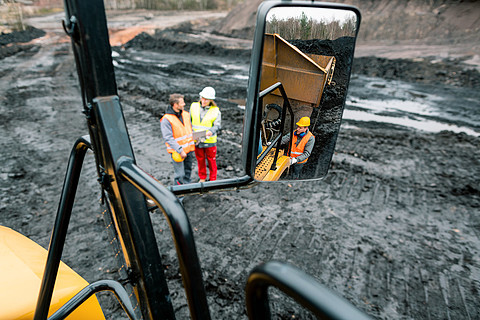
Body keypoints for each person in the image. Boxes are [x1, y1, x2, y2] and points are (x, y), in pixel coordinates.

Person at [160, 93, 195, 185]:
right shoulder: (166, 119)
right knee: (179, 174)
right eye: (182, 102)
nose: (184, 104)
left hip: (189, 149)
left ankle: (187, 188)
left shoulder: (186, 114)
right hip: (177, 151)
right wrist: (180, 150)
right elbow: (168, 138)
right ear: (175, 105)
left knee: (188, 171)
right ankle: (180, 196)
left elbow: (190, 129)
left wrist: (197, 137)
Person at [190, 86, 221, 182]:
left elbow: (217, 125)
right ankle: (202, 178)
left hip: (209, 140)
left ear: (211, 100)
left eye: (206, 100)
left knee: (211, 160)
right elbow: (189, 121)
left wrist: (211, 131)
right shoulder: (193, 106)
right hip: (197, 139)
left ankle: (213, 179)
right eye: (202, 98)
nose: (204, 101)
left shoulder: (216, 110)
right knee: (200, 159)